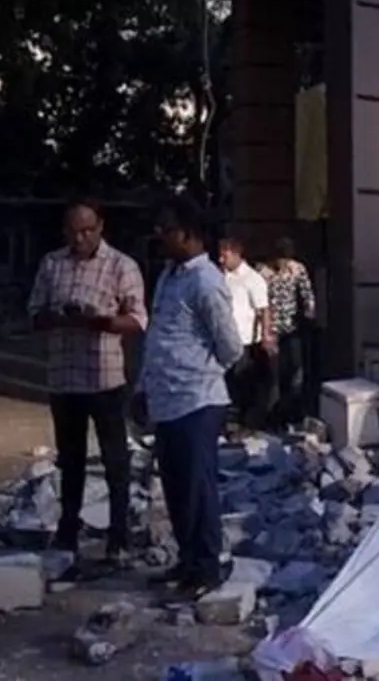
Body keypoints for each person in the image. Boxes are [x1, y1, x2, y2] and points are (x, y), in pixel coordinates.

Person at [27, 198, 147, 560]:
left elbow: (139, 320)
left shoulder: (121, 265)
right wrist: (57, 316)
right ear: (65, 231)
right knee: (71, 460)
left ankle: (119, 535)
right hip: (64, 378)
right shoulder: (52, 264)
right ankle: (68, 530)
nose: (80, 238)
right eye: (74, 232)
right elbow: (33, 315)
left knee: (114, 460)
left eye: (87, 231)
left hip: (105, 377)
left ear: (100, 228)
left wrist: (102, 321)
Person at [133, 199, 241, 598]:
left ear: (189, 234)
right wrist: (143, 387)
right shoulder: (168, 276)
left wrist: (199, 369)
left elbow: (230, 346)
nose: (161, 236)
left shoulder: (206, 280)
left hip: (198, 398)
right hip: (166, 399)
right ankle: (188, 560)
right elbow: (158, 337)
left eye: (167, 229)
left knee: (198, 488)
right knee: (177, 488)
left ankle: (207, 568)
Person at [218, 236, 274, 431]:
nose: (221, 260)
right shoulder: (222, 277)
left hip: (246, 341)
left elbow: (264, 309)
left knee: (244, 384)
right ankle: (229, 422)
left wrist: (266, 336)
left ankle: (245, 423)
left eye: (224, 255)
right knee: (227, 384)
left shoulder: (252, 279)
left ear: (236, 254)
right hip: (225, 340)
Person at [260, 237, 315, 429]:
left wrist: (309, 310)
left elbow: (307, 293)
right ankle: (274, 418)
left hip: (292, 329)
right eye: (279, 259)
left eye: (285, 259)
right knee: (274, 375)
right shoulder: (264, 272)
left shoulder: (297, 269)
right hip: (272, 330)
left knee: (296, 372)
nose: (282, 264)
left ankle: (293, 413)